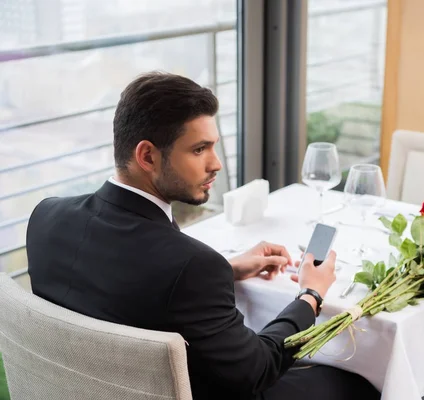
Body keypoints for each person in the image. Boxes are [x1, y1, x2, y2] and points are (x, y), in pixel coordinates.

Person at [26, 71, 381, 400]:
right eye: (199, 149)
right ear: (147, 156)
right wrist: (311, 295)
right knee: (363, 380)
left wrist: (226, 267)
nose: (216, 164)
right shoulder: (192, 266)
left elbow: (123, 279)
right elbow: (257, 371)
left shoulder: (46, 216)